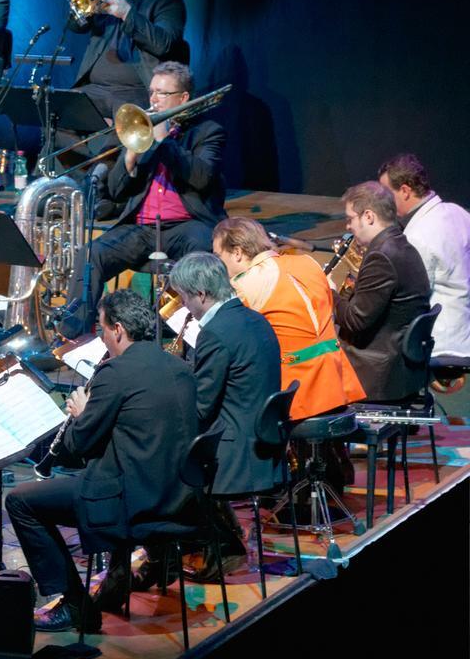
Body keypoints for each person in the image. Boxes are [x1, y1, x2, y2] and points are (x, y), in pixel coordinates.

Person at [7, 290, 198, 633]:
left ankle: (75, 605)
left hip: (134, 503)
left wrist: (81, 414)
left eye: (102, 328)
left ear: (118, 330)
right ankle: (115, 578)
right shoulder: (179, 366)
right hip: (181, 498)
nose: (101, 336)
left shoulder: (115, 373)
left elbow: (77, 447)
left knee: (21, 501)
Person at [77, 62, 225, 327]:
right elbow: (117, 191)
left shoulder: (207, 131)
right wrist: (129, 159)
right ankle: (76, 332)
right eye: (152, 92)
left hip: (187, 225)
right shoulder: (141, 131)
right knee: (92, 253)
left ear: (183, 98)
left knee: (202, 250)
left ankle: (188, 330)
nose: (154, 99)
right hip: (143, 228)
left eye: (162, 93)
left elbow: (202, 178)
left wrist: (164, 141)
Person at [167, 252, 285, 570]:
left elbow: (201, 408)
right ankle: (221, 536)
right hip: (264, 443)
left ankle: (218, 547)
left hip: (236, 453)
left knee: (162, 456)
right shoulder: (256, 320)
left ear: (201, 294)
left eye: (185, 298)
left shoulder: (215, 333)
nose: (185, 306)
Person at [213, 216, 364, 420]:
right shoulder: (309, 262)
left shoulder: (244, 285)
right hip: (337, 382)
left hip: (296, 394)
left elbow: (231, 339)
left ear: (237, 253)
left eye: (219, 256)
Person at [68, 0, 189, 123]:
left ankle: (103, 136)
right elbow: (75, 27)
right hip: (96, 88)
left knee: (121, 131)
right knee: (58, 115)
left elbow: (164, 44)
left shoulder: (167, 1)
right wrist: (89, 5)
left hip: (135, 91)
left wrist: (126, 12)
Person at [333, 181, 432, 402]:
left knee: (307, 369)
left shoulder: (382, 256)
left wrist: (329, 292)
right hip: (400, 367)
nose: (348, 226)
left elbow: (355, 321)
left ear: (368, 216)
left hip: (378, 374)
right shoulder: (402, 246)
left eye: (350, 219)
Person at [378, 153, 470, 370]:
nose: (384, 203)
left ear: (405, 190)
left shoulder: (418, 236)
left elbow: (409, 299)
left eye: (387, 194)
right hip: (463, 331)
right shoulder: (457, 212)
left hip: (439, 343)